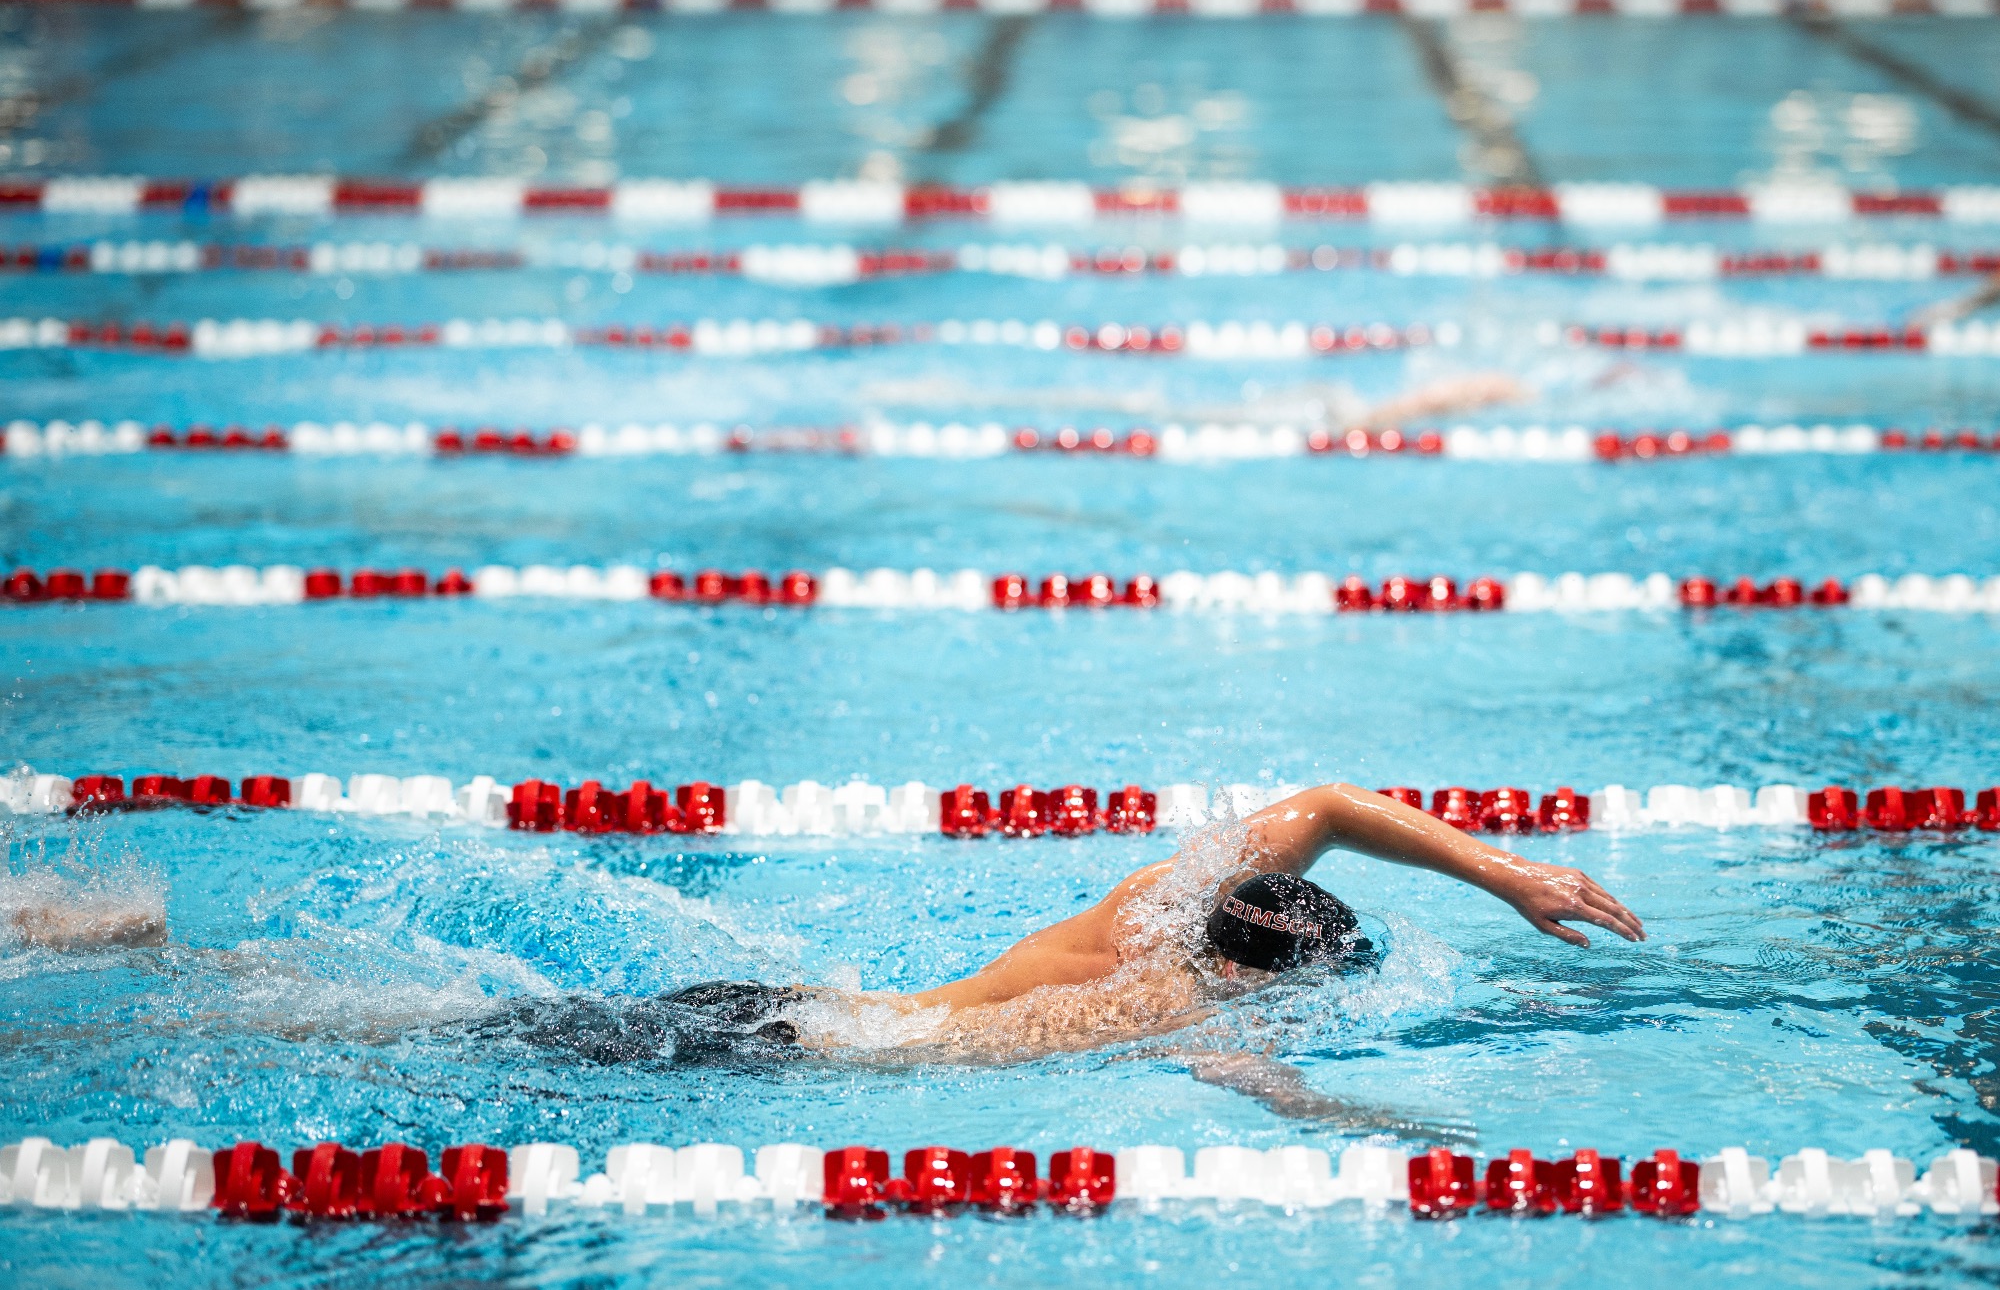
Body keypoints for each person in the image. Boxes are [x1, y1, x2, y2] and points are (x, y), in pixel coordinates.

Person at [11, 782, 1643, 1135]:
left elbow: (1329, 804)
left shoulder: (1148, 911)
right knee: (421, 1036)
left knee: (461, 1018)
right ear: (1271, 969)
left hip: (792, 1010)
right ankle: (149, 975)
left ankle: (167, 951)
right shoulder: (1183, 997)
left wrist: (1507, 872)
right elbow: (1260, 1083)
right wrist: (1398, 1130)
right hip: (784, 1051)